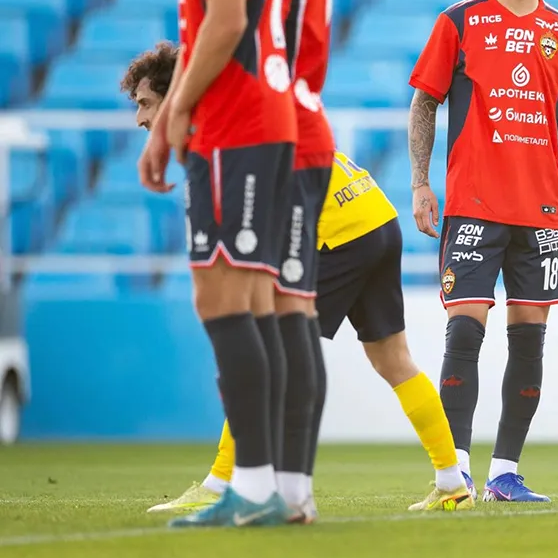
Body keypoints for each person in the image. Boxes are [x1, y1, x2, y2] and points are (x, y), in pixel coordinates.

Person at [124, 43, 475, 516]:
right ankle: (452, 481)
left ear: (174, 94)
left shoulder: (218, 123)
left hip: (337, 233)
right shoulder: (237, 104)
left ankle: (220, 484)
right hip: (373, 214)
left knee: (263, 351)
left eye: (145, 103)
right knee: (393, 359)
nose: (140, 119)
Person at [407, 0, 558, 505]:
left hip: (539, 212)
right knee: (464, 331)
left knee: (529, 340)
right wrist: (419, 182)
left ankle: (505, 473)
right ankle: (456, 472)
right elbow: (424, 101)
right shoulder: (459, 21)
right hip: (472, 205)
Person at [142, 0, 298, 528]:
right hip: (246, 125)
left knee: (225, 298)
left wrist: (175, 110)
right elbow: (221, 17)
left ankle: (261, 485)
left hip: (240, 125)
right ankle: (271, 484)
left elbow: (229, 20)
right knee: (249, 303)